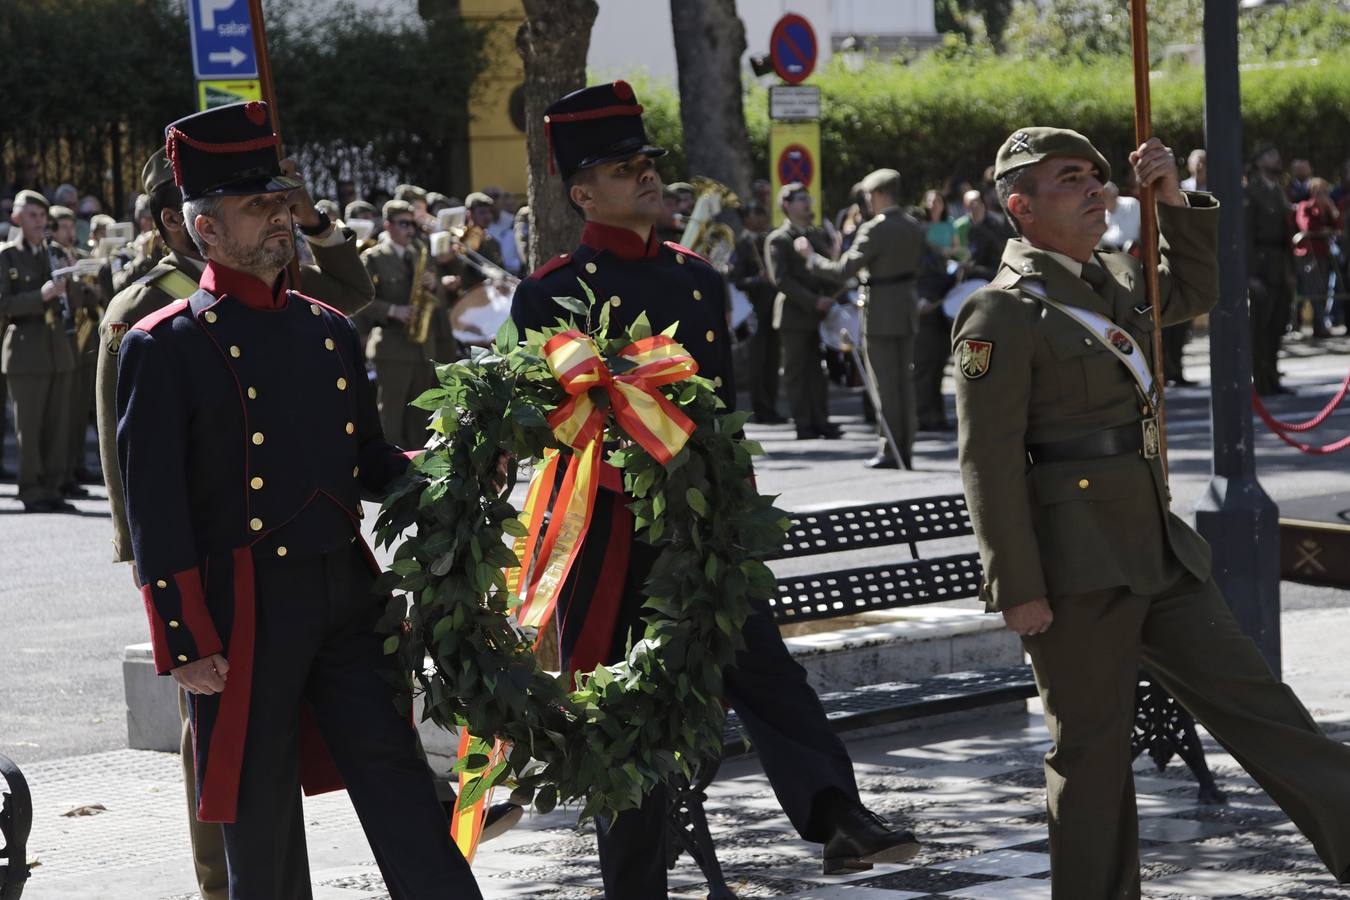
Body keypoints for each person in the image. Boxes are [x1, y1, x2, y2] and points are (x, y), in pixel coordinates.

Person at [510, 80, 919, 900]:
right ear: (582, 191)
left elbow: (723, 416)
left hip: (698, 530)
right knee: (630, 719)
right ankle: (634, 885)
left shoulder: (698, 280)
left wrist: (731, 509)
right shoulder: (550, 290)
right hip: (610, 535)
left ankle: (839, 816)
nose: (647, 177)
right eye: (624, 168)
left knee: (764, 669)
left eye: (648, 162)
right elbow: (546, 425)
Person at [954, 125, 1350, 898]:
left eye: (1099, 176)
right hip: (1074, 569)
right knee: (1093, 760)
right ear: (1020, 206)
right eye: (1072, 179)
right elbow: (988, 463)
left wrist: (1173, 201)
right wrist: (1017, 586)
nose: (1097, 188)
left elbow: (1195, 292)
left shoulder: (1108, 280)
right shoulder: (999, 314)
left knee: (1269, 716)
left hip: (1158, 553)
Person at [115, 101, 483, 900]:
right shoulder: (162, 345)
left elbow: (369, 461)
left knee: (401, 785)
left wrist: (454, 473)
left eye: (283, 202)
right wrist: (185, 638)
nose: (282, 219)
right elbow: (155, 509)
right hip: (243, 611)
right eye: (259, 206)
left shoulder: (327, 331)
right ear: (205, 227)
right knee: (261, 817)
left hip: (344, 597)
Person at [794, 168, 924, 467]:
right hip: (905, 308)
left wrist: (810, 258)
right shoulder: (913, 225)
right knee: (904, 382)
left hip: (881, 312)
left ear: (877, 195)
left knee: (885, 385)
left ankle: (890, 449)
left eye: (867, 195)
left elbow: (842, 270)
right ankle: (905, 446)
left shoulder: (875, 228)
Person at [0, 189, 76, 512]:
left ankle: (53, 488)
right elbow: (4, 304)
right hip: (25, 353)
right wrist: (40, 297)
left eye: (42, 217)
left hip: (56, 350)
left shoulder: (52, 253)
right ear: (17, 218)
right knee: (28, 430)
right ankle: (31, 490)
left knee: (57, 426)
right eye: (32, 215)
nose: (39, 222)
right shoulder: (7, 257)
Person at [355, 199, 446, 449]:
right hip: (393, 346)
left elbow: (438, 303)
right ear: (388, 225)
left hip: (421, 347)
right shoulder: (373, 258)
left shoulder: (419, 252)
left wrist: (433, 285)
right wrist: (393, 310)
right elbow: (361, 301)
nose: (410, 230)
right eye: (403, 224)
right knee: (391, 415)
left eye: (412, 224)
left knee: (420, 417)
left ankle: (418, 469)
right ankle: (389, 470)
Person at [766, 183, 843, 440]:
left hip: (819, 316)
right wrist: (813, 301)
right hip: (795, 316)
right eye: (801, 199)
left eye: (808, 198)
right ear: (787, 205)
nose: (808, 203)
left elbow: (826, 268)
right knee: (797, 372)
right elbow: (782, 280)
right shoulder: (778, 239)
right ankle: (804, 423)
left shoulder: (815, 235)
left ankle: (821, 420)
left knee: (817, 372)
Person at [46, 205, 104, 493]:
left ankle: (73, 467)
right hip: (62, 338)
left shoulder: (75, 254)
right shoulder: (54, 253)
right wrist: (85, 290)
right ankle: (64, 472)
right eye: (65, 227)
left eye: (72, 226)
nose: (71, 232)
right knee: (68, 412)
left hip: (80, 339)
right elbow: (73, 294)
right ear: (53, 229)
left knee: (80, 410)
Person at [1246, 143, 1295, 395]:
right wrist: (1249, 276)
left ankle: (1272, 378)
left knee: (1277, 325)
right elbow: (1245, 235)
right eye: (1269, 155)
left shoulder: (1278, 191)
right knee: (1261, 328)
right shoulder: (1251, 192)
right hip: (1261, 266)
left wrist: (1290, 271)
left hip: (1279, 264)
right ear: (1257, 161)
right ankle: (1262, 380)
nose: (1276, 158)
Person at [730, 201, 783, 423]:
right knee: (757, 362)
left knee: (772, 360)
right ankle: (761, 409)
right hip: (753, 312)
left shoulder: (767, 240)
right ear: (747, 219)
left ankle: (771, 407)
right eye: (758, 213)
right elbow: (735, 279)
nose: (763, 217)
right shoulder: (741, 244)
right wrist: (756, 280)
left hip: (771, 309)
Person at [1293, 176, 1339, 338]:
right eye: (1319, 191)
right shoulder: (1305, 206)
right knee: (1313, 289)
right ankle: (1315, 327)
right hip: (1309, 253)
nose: (1322, 195)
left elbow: (1338, 225)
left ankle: (1319, 326)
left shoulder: (1327, 208)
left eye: (1325, 191)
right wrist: (1322, 229)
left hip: (1324, 254)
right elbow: (1305, 225)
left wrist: (1331, 209)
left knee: (1323, 289)